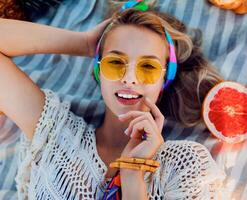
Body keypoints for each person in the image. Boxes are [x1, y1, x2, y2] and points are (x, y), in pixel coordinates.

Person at [0, 0, 226, 199]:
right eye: (115, 62)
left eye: (148, 67)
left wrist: (132, 173)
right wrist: (85, 43)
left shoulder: (185, 166)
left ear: (164, 80)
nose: (129, 79)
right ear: (100, 72)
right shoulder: (57, 135)